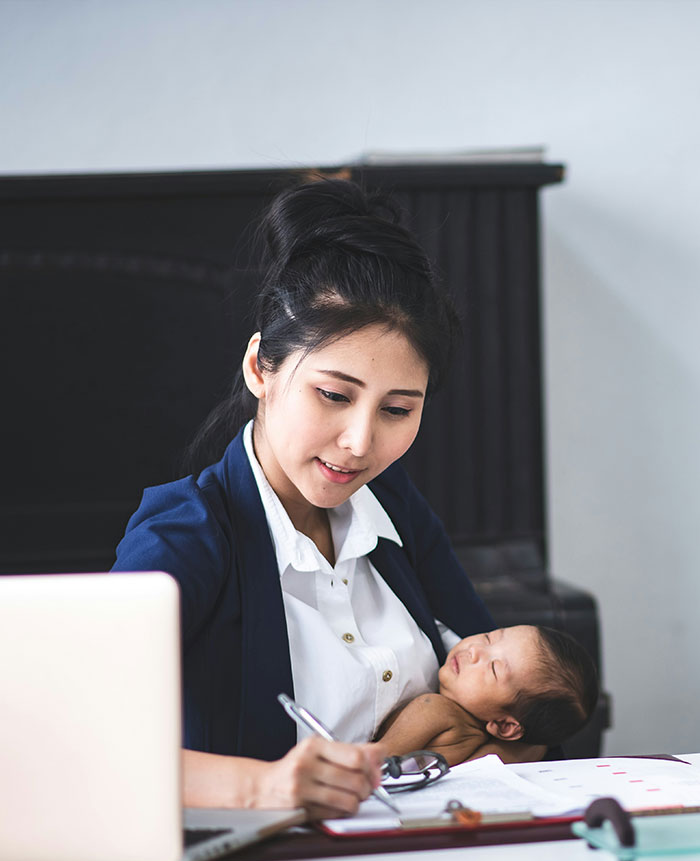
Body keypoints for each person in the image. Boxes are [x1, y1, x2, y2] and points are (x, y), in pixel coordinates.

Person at [112, 177, 540, 818]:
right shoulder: (187, 533)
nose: (360, 443)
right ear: (260, 368)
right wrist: (262, 787)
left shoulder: (392, 504)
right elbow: (64, 737)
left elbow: (519, 714)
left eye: (398, 409)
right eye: (334, 395)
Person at [374, 624, 599, 766]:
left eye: (493, 669)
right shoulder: (435, 712)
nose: (474, 650)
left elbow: (371, 764)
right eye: (489, 637)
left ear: (505, 726)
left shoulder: (434, 710)